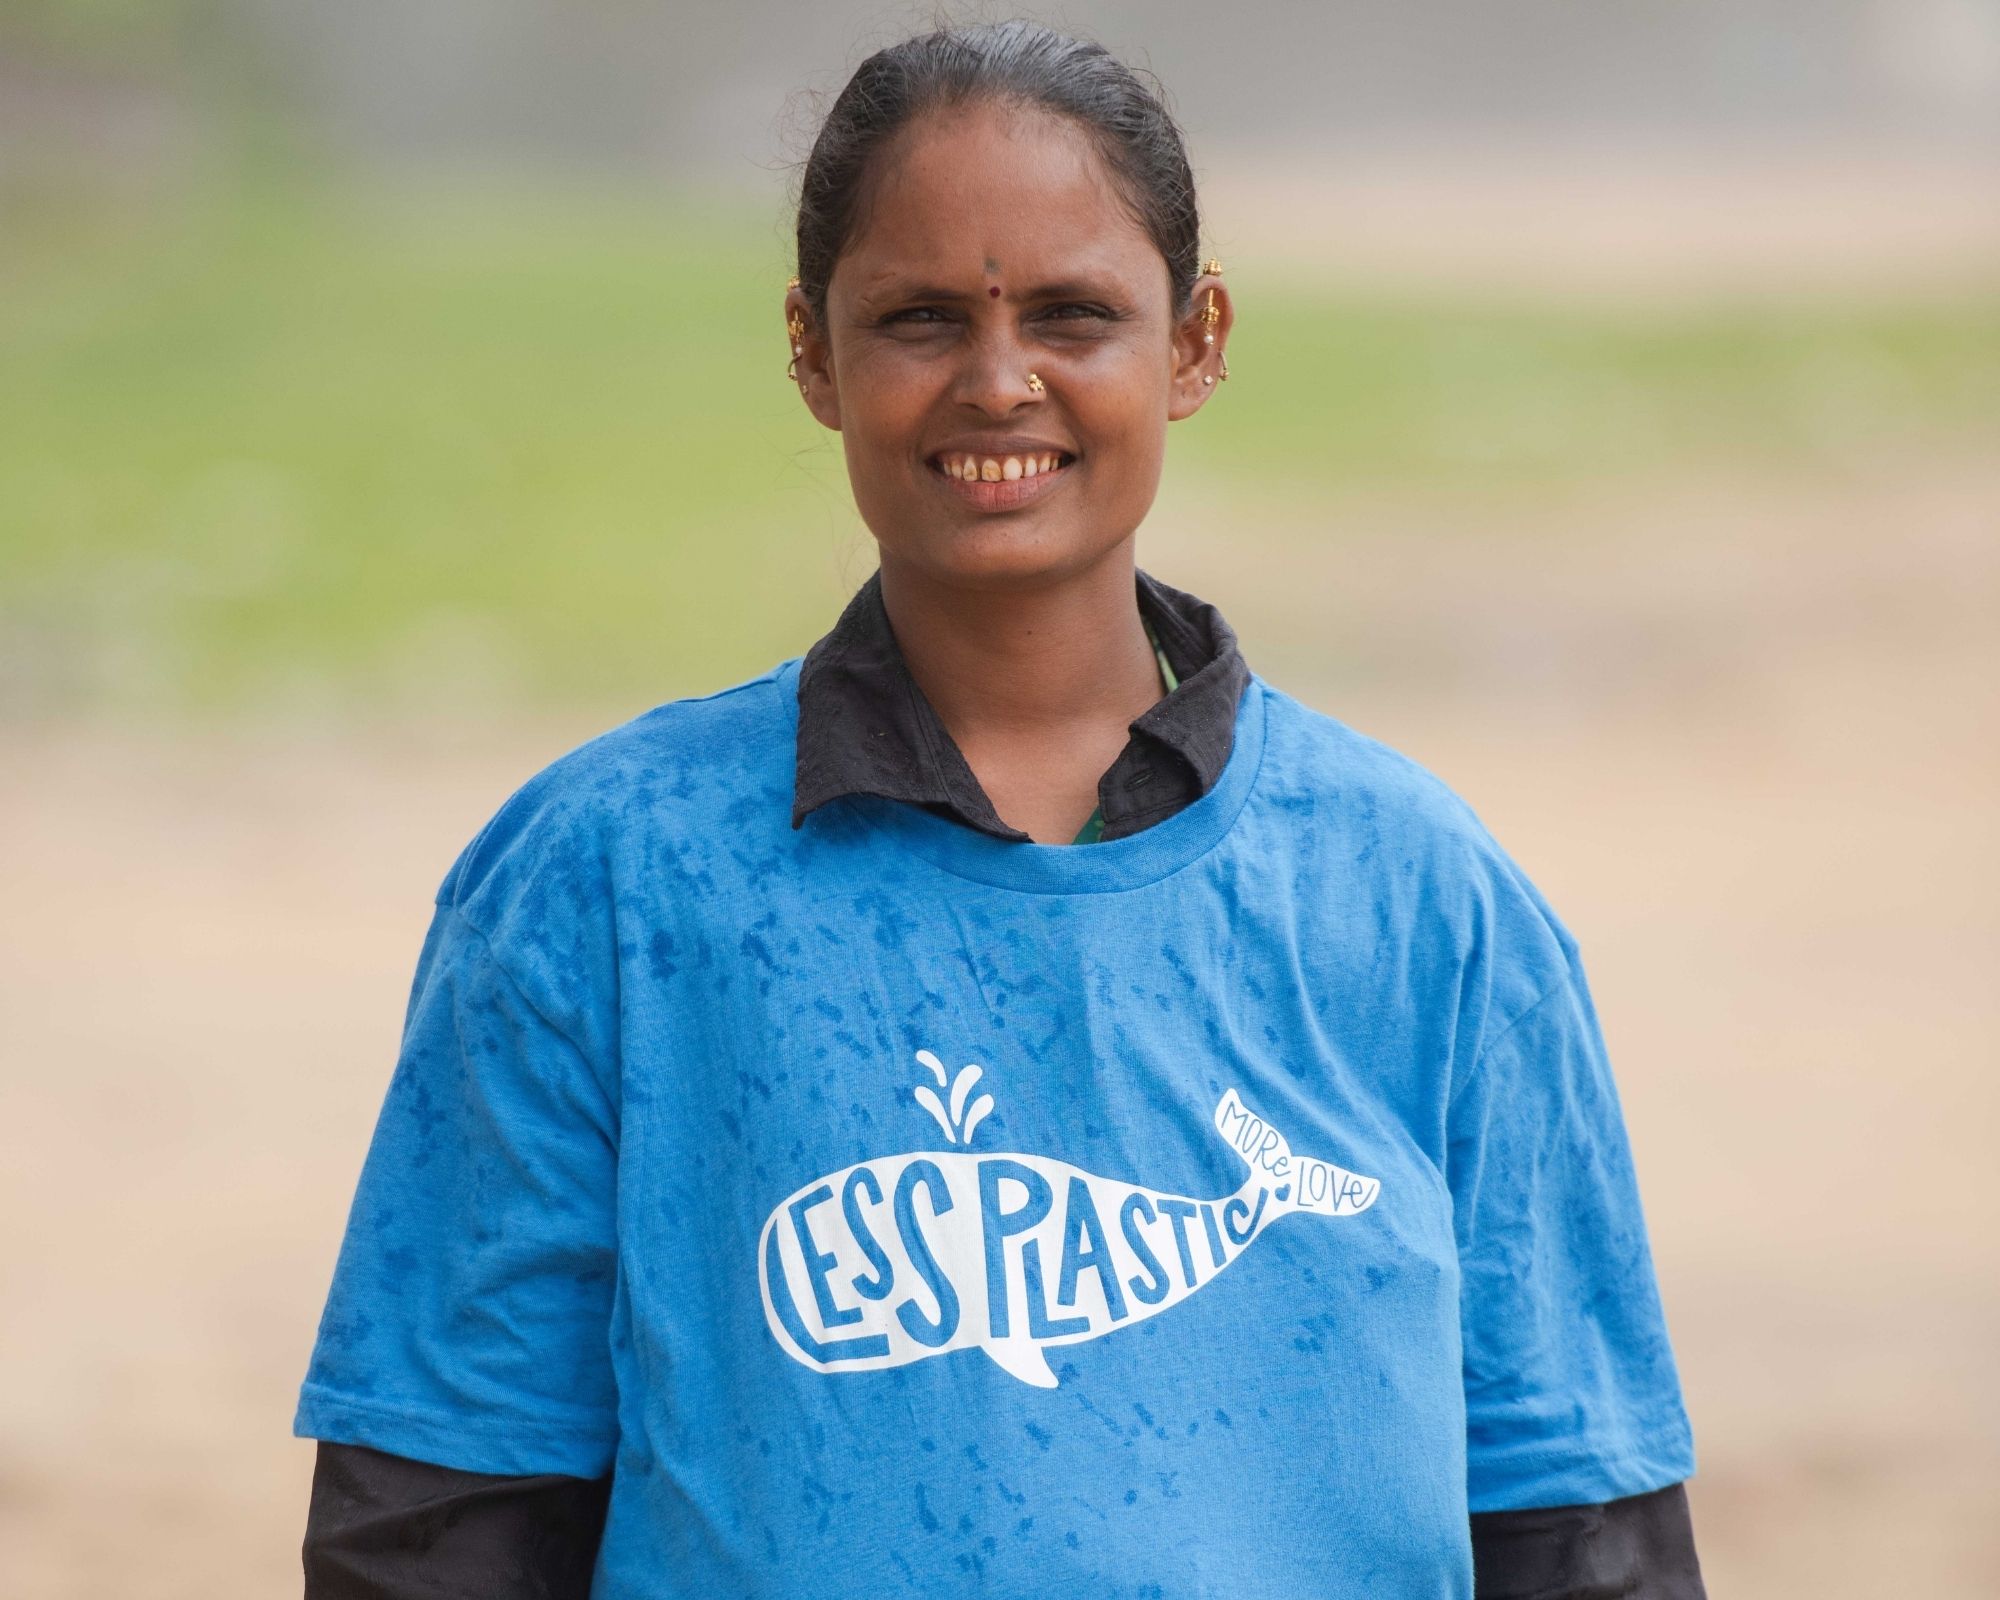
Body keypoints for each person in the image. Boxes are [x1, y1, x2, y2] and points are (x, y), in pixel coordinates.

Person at [293, 20, 1705, 1598]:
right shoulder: (602, 883)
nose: (997, 380)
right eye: (917, 319)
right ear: (814, 352)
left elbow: (1581, 1530)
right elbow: (434, 1522)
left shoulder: (1421, 900)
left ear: (1196, 341)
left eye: (1073, 313)